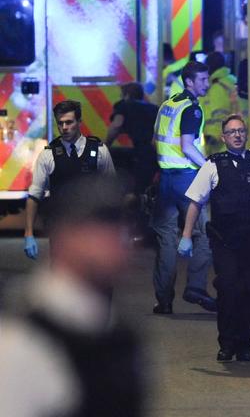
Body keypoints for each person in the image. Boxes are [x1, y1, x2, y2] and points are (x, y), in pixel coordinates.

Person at [0, 176, 145, 417]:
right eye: (100, 227)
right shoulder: (20, 341)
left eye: (122, 226)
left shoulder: (119, 333)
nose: (119, 240)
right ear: (65, 234)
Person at [178, 114, 250, 362]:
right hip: (225, 240)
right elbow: (196, 201)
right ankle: (227, 344)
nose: (237, 135)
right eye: (232, 132)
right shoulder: (214, 165)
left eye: (241, 131)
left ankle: (245, 345)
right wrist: (186, 235)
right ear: (224, 137)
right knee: (229, 288)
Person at [151, 60, 216, 314]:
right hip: (188, 179)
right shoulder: (192, 109)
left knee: (166, 239)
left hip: (166, 180)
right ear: (189, 81)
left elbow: (153, 141)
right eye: (202, 80)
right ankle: (196, 287)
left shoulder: (168, 104)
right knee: (203, 234)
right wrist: (210, 168)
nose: (207, 84)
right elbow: (188, 146)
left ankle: (163, 301)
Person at [24, 100, 115, 260]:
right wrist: (28, 233)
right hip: (62, 231)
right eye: (60, 123)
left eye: (69, 122)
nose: (64, 127)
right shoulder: (48, 155)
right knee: (64, 281)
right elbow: (34, 195)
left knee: (96, 281)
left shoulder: (99, 150)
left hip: (94, 230)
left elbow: (113, 190)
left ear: (79, 122)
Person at [106, 82, 159, 194]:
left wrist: (106, 145)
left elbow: (117, 125)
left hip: (143, 151)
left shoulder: (124, 105)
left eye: (122, 95)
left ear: (127, 95)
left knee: (136, 190)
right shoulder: (154, 108)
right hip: (159, 153)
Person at [199, 52, 238, 156]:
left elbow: (220, 113)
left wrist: (213, 136)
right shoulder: (231, 80)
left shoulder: (217, 87)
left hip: (220, 145)